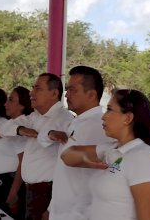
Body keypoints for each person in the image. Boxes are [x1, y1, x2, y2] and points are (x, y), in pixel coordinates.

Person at [61, 89, 150, 220]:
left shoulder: (142, 157)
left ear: (127, 118)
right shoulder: (111, 149)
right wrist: (86, 160)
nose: (103, 116)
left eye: (109, 109)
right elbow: (66, 155)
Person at [0, 73, 73, 220]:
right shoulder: (35, 117)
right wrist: (22, 130)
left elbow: (66, 167)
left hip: (48, 192)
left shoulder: (64, 118)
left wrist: (52, 207)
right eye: (32, 88)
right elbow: (5, 129)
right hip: (31, 190)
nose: (31, 93)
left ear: (54, 93)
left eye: (37, 88)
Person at [46, 66, 115, 220]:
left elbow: (106, 172)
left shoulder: (100, 126)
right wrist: (52, 208)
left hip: (80, 213)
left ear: (91, 94)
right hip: (62, 210)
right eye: (67, 89)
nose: (66, 94)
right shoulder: (77, 122)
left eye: (72, 90)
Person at [0, 86, 33, 219]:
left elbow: (22, 162)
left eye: (11, 100)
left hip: (11, 184)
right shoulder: (12, 125)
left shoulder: (21, 126)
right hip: (1, 184)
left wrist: (13, 194)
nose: (6, 104)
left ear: (21, 105)